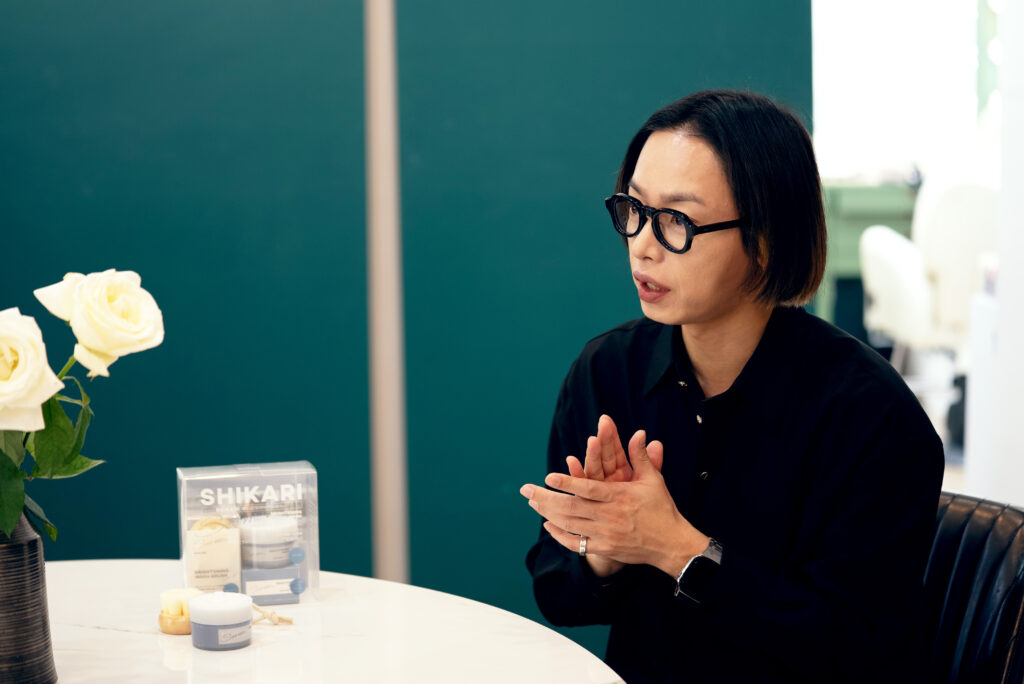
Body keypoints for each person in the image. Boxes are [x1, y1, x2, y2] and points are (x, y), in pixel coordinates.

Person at [520, 90, 944, 683]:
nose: (641, 244)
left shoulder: (871, 416)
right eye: (634, 209)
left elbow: (857, 652)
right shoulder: (608, 371)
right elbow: (558, 594)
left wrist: (677, 548)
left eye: (676, 220)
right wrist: (605, 550)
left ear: (766, 239)